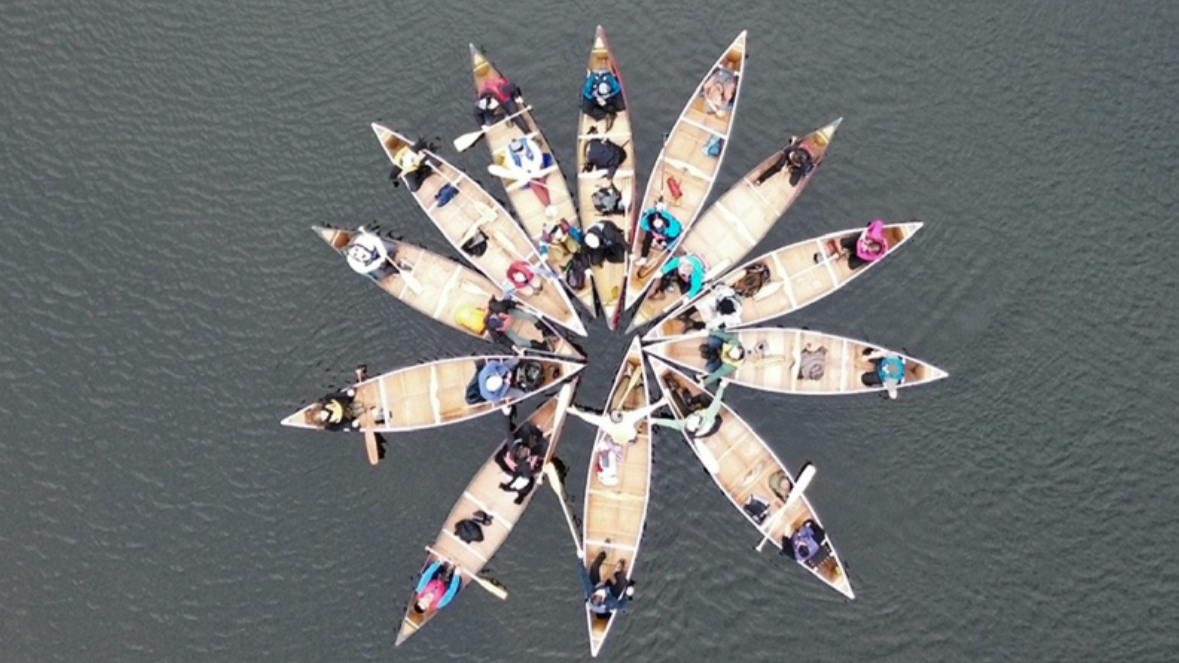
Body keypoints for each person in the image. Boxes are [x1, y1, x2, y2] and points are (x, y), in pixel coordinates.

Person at [651, 380, 727, 439]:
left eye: (688, 421)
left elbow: (672, 423)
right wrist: (722, 386)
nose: (688, 420)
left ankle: (685, 399)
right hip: (714, 421)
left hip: (711, 422)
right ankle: (689, 402)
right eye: (689, 420)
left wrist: (655, 421)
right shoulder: (709, 414)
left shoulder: (687, 423)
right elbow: (717, 400)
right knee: (702, 397)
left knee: (685, 411)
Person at [493, 422, 548, 504]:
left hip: (512, 466)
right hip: (515, 470)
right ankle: (539, 436)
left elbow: (508, 431)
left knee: (529, 432)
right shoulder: (525, 469)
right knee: (542, 444)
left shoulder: (523, 468)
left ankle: (539, 435)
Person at [484, 295, 553, 352]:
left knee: (528, 315)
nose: (505, 326)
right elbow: (504, 340)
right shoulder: (493, 331)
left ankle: (546, 330)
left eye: (503, 324)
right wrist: (515, 348)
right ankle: (541, 346)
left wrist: (520, 306)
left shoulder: (498, 307)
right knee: (519, 342)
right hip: (505, 323)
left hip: (509, 313)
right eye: (501, 327)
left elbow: (508, 303)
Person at [579, 550, 635, 615]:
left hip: (598, 586)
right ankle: (617, 572)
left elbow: (583, 576)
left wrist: (580, 559)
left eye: (598, 594)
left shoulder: (590, 590)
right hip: (610, 593)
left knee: (594, 567)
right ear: (603, 600)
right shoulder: (610, 602)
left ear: (592, 595)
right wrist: (627, 594)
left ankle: (604, 552)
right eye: (601, 596)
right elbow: (620, 605)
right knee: (623, 583)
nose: (601, 593)